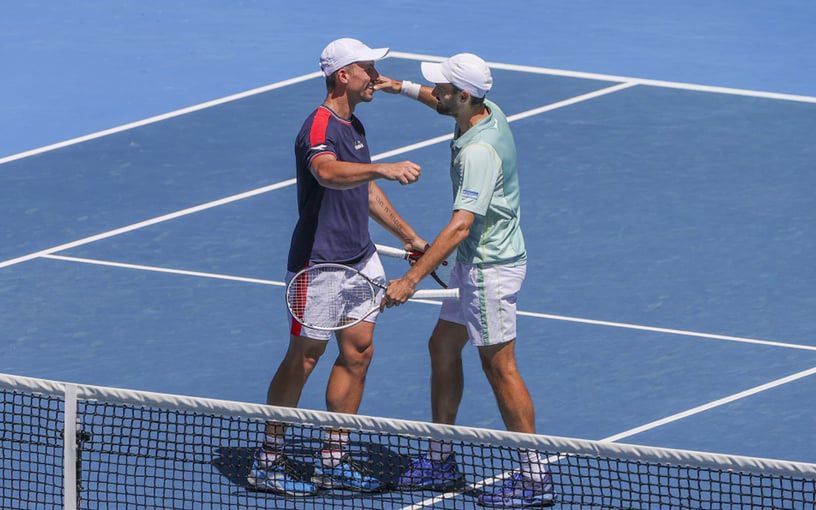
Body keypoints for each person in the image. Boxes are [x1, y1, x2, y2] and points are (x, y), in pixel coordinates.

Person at [248, 38, 429, 497]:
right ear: (343, 75)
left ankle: (333, 460)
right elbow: (327, 173)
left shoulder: (355, 125)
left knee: (359, 352)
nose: (374, 76)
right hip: (319, 265)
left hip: (360, 258)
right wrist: (384, 168)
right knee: (304, 358)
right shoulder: (319, 127)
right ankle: (267, 460)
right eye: (366, 68)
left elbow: (362, 191)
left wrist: (408, 236)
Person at [377, 53, 555, 507]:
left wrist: (411, 279)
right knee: (442, 346)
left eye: (442, 88)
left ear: (464, 96)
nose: (434, 91)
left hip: (489, 270)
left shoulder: (479, 151)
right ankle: (440, 459)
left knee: (500, 367)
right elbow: (438, 101)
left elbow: (459, 226)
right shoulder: (486, 111)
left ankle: (535, 479)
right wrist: (397, 87)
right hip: (474, 262)